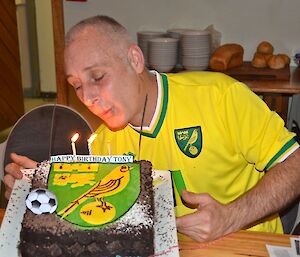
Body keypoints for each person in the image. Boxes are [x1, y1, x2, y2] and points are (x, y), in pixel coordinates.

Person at [4, 15, 300, 242]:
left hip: (246, 245)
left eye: (97, 76)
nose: (87, 97)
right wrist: (46, 189)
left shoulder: (219, 97)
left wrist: (231, 217)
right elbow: (101, 215)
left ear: (134, 59)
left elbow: (296, 164)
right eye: (77, 85)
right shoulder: (104, 144)